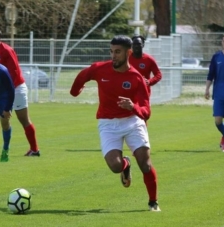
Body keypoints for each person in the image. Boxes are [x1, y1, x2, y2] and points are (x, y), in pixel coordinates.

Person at [69, 35, 160, 212]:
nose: (113, 56)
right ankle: (125, 165)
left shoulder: (137, 78)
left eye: (117, 52)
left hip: (133, 122)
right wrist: (75, 91)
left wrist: (133, 106)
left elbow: (146, 112)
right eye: (111, 51)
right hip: (108, 124)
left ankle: (153, 202)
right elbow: (82, 76)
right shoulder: (99, 69)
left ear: (129, 53)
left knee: (145, 164)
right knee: (115, 166)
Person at [0, 25, 40, 157]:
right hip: (1, 91)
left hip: (15, 89)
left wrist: (4, 93)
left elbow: (14, 73)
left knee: (23, 119)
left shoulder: (6, 50)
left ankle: (35, 149)